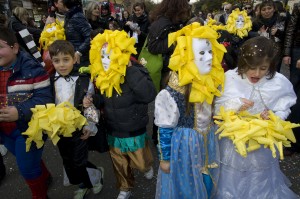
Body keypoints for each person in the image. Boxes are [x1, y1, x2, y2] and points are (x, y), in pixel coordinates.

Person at [214, 36, 298, 198]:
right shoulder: (230, 79)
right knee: (231, 174)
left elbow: (284, 107)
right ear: (243, 64)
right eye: (252, 68)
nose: (257, 73)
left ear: (271, 66)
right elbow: (217, 109)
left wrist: (274, 116)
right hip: (233, 141)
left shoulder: (277, 83)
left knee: (259, 175)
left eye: (263, 68)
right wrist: (236, 104)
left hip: (261, 142)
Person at [154, 23, 226, 199]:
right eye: (201, 53)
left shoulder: (210, 82)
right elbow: (164, 129)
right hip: (185, 148)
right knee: (186, 185)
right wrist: (165, 158)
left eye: (210, 51)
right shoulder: (171, 93)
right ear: (186, 57)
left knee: (206, 179)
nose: (209, 57)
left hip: (207, 140)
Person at [89, 29, 156, 199]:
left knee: (140, 163)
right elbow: (103, 100)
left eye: (110, 56)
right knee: (119, 163)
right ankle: (125, 187)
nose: (105, 61)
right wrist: (93, 100)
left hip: (134, 128)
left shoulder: (135, 71)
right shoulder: (103, 76)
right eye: (102, 56)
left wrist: (131, 71)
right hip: (113, 129)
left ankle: (147, 166)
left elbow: (149, 94)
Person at [0, 26, 53, 198]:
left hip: (28, 130)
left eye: (0, 47)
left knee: (27, 168)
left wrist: (20, 111)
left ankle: (41, 195)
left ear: (15, 47)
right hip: (5, 132)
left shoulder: (33, 69)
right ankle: (45, 177)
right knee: (29, 162)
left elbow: (46, 100)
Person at [48, 40, 104, 199]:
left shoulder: (83, 79)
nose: (61, 65)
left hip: (79, 128)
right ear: (52, 61)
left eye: (66, 59)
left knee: (79, 161)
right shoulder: (51, 80)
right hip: (59, 130)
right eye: (56, 61)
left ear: (74, 59)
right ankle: (85, 181)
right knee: (68, 160)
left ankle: (91, 180)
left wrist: (89, 125)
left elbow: (92, 105)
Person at [147, 0, 192, 145]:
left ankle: (161, 135)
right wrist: (177, 41)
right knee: (165, 104)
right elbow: (153, 47)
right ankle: (159, 136)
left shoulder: (166, 21)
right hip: (165, 70)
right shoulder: (164, 23)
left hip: (168, 69)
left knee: (167, 104)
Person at [251, 0, 287, 72]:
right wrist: (258, 33)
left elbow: (288, 36)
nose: (267, 11)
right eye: (263, 9)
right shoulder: (255, 22)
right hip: (260, 51)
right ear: (260, 11)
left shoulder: (282, 19)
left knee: (274, 71)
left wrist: (278, 32)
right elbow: (248, 34)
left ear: (274, 9)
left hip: (276, 52)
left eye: (269, 8)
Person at [283, 3, 300, 154]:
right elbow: (290, 30)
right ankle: (292, 140)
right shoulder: (297, 7)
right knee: (296, 97)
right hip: (297, 51)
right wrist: (288, 53)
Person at [63, 0, 92, 72]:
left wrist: (79, 51)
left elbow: (90, 36)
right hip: (73, 56)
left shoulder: (77, 16)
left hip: (80, 59)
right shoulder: (70, 16)